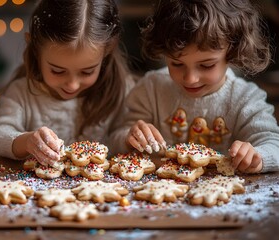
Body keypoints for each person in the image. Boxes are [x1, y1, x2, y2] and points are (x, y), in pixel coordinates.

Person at [111, 0, 279, 173]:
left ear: (233, 52)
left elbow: (273, 144)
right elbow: (115, 138)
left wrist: (258, 157)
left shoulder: (245, 99)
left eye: (206, 66)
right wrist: (128, 137)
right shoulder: (150, 89)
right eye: (176, 64)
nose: (190, 79)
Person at [0, 0, 135, 167]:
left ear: (107, 53)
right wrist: (27, 141)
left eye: (87, 72)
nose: (72, 85)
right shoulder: (21, 93)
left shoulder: (120, 89)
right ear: (35, 50)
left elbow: (117, 137)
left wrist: (129, 138)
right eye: (57, 71)